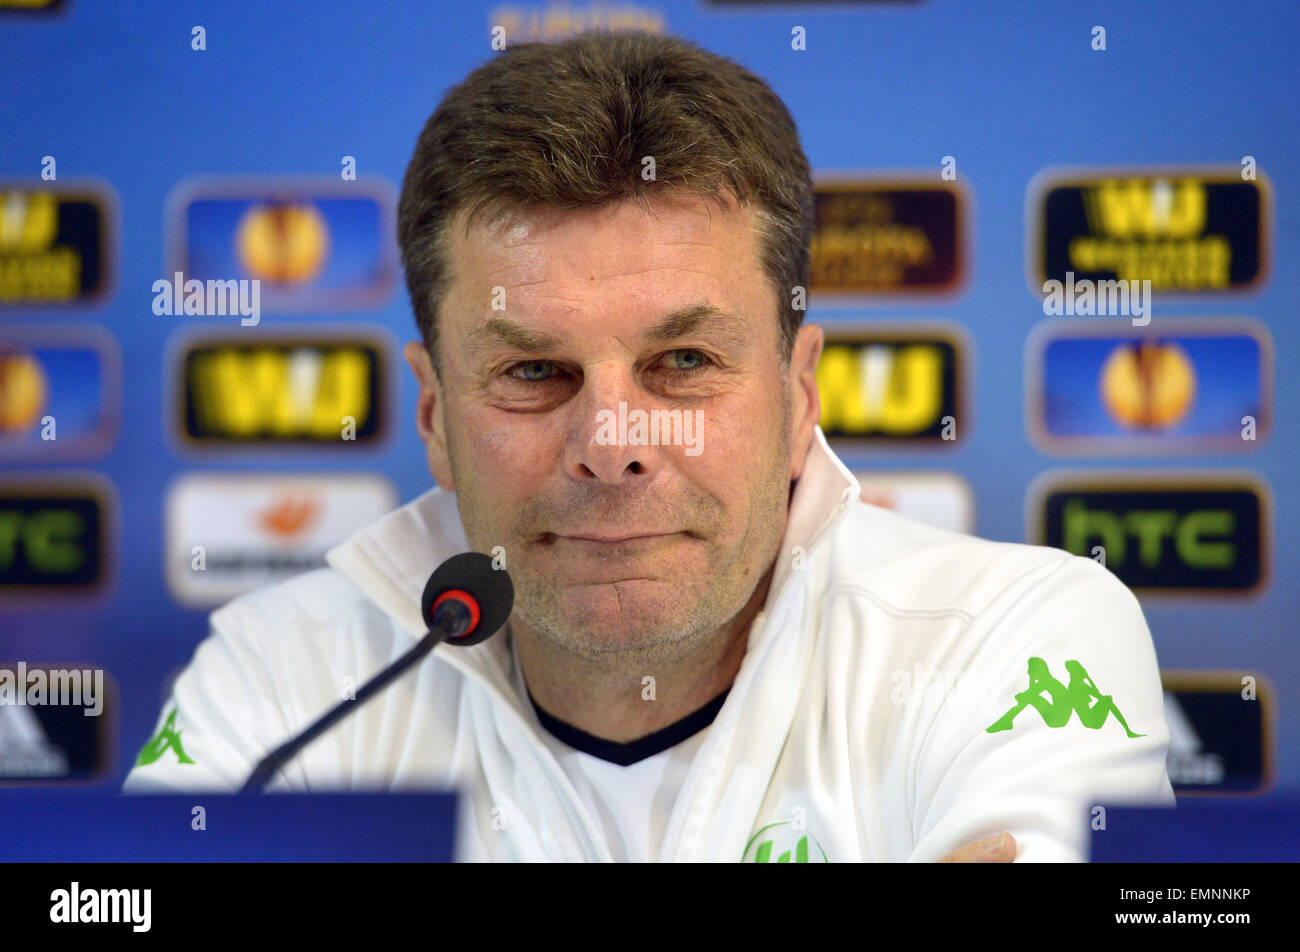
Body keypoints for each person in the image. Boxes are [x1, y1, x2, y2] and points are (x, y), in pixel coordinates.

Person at [123, 29, 1175, 862]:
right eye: (534, 374)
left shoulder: (1014, 639)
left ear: (798, 388)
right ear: (437, 417)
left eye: (681, 362)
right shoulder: (283, 677)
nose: (611, 445)